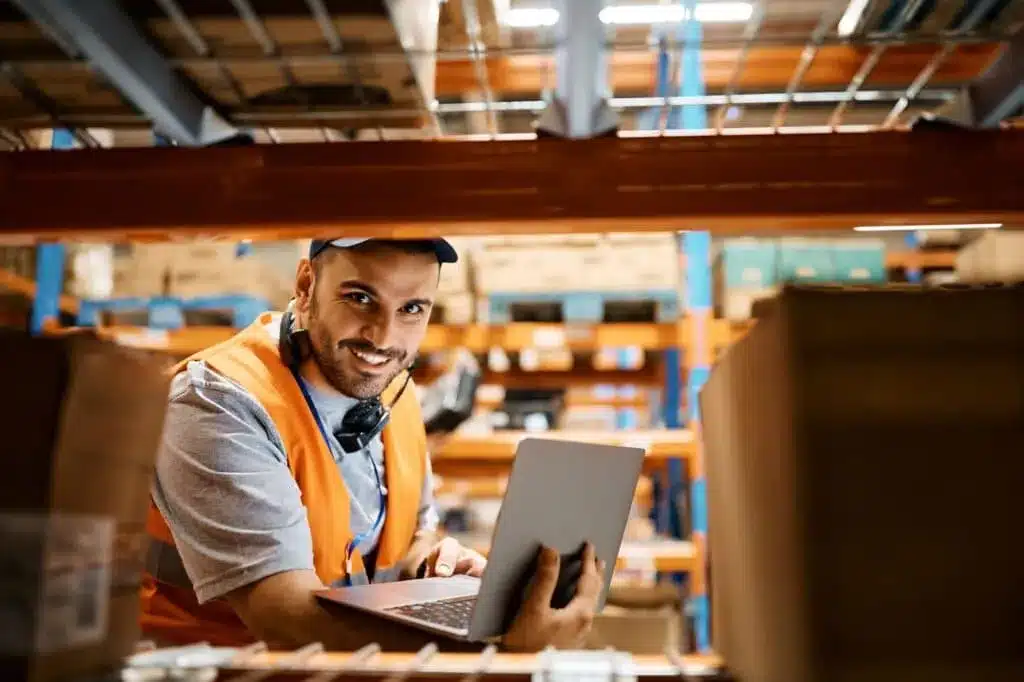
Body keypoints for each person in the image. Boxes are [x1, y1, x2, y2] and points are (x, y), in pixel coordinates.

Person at [140, 238, 603, 651]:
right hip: (218, 666)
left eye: (411, 309)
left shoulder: (391, 392)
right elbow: (283, 618)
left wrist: (432, 564)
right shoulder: (216, 402)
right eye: (360, 298)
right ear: (306, 286)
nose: (383, 337)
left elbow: (408, 540)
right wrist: (495, 645)